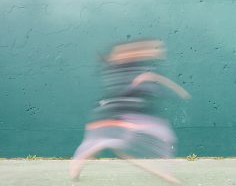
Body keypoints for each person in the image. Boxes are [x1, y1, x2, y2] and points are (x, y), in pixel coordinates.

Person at [70, 40, 190, 184]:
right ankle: (165, 174)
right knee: (157, 135)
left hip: (124, 116)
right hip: (117, 115)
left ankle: (77, 166)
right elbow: (131, 87)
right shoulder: (118, 71)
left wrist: (172, 87)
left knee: (102, 143)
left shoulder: (136, 67)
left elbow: (149, 79)